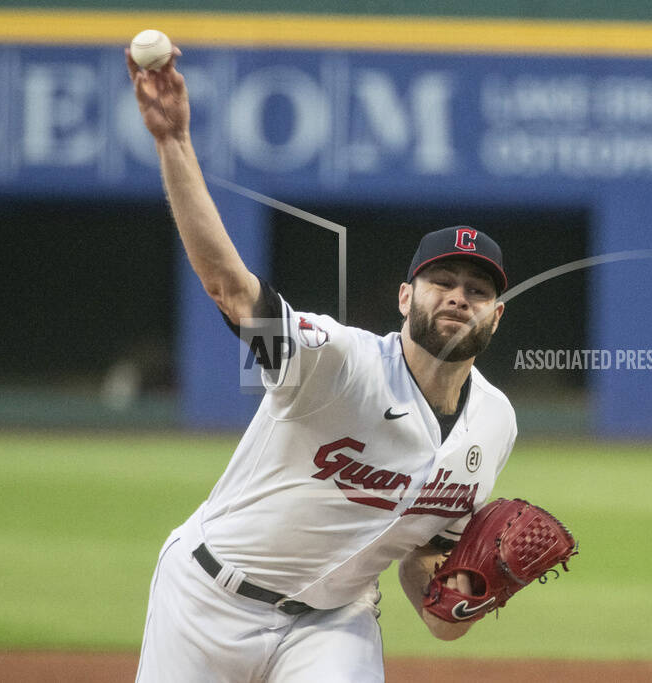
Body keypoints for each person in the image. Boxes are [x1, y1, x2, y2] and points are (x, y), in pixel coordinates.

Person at [127, 46, 517, 682]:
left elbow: (427, 564)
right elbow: (230, 286)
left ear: (495, 316)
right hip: (206, 600)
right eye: (441, 280)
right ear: (404, 297)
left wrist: (456, 600)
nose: (457, 296)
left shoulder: (495, 425)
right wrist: (173, 141)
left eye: (477, 290)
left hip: (334, 622)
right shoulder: (337, 362)